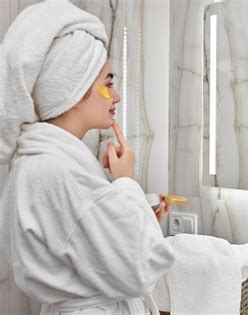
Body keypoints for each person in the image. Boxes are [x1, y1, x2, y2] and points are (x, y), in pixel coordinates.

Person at [0, 1, 174, 314]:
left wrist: (133, 211)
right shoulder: (55, 169)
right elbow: (138, 269)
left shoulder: (43, 161)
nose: (117, 96)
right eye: (108, 83)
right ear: (74, 88)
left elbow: (90, 250)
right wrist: (124, 183)